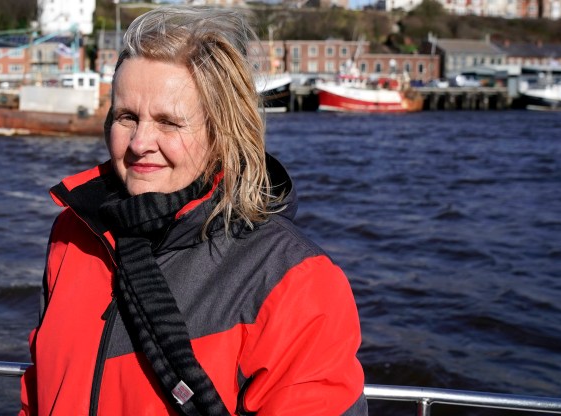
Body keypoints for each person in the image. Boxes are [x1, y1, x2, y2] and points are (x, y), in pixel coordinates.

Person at [19, 6, 367, 416]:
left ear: (223, 134)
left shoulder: (292, 279)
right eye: (126, 117)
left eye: (169, 122)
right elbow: (38, 394)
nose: (140, 142)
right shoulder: (74, 235)